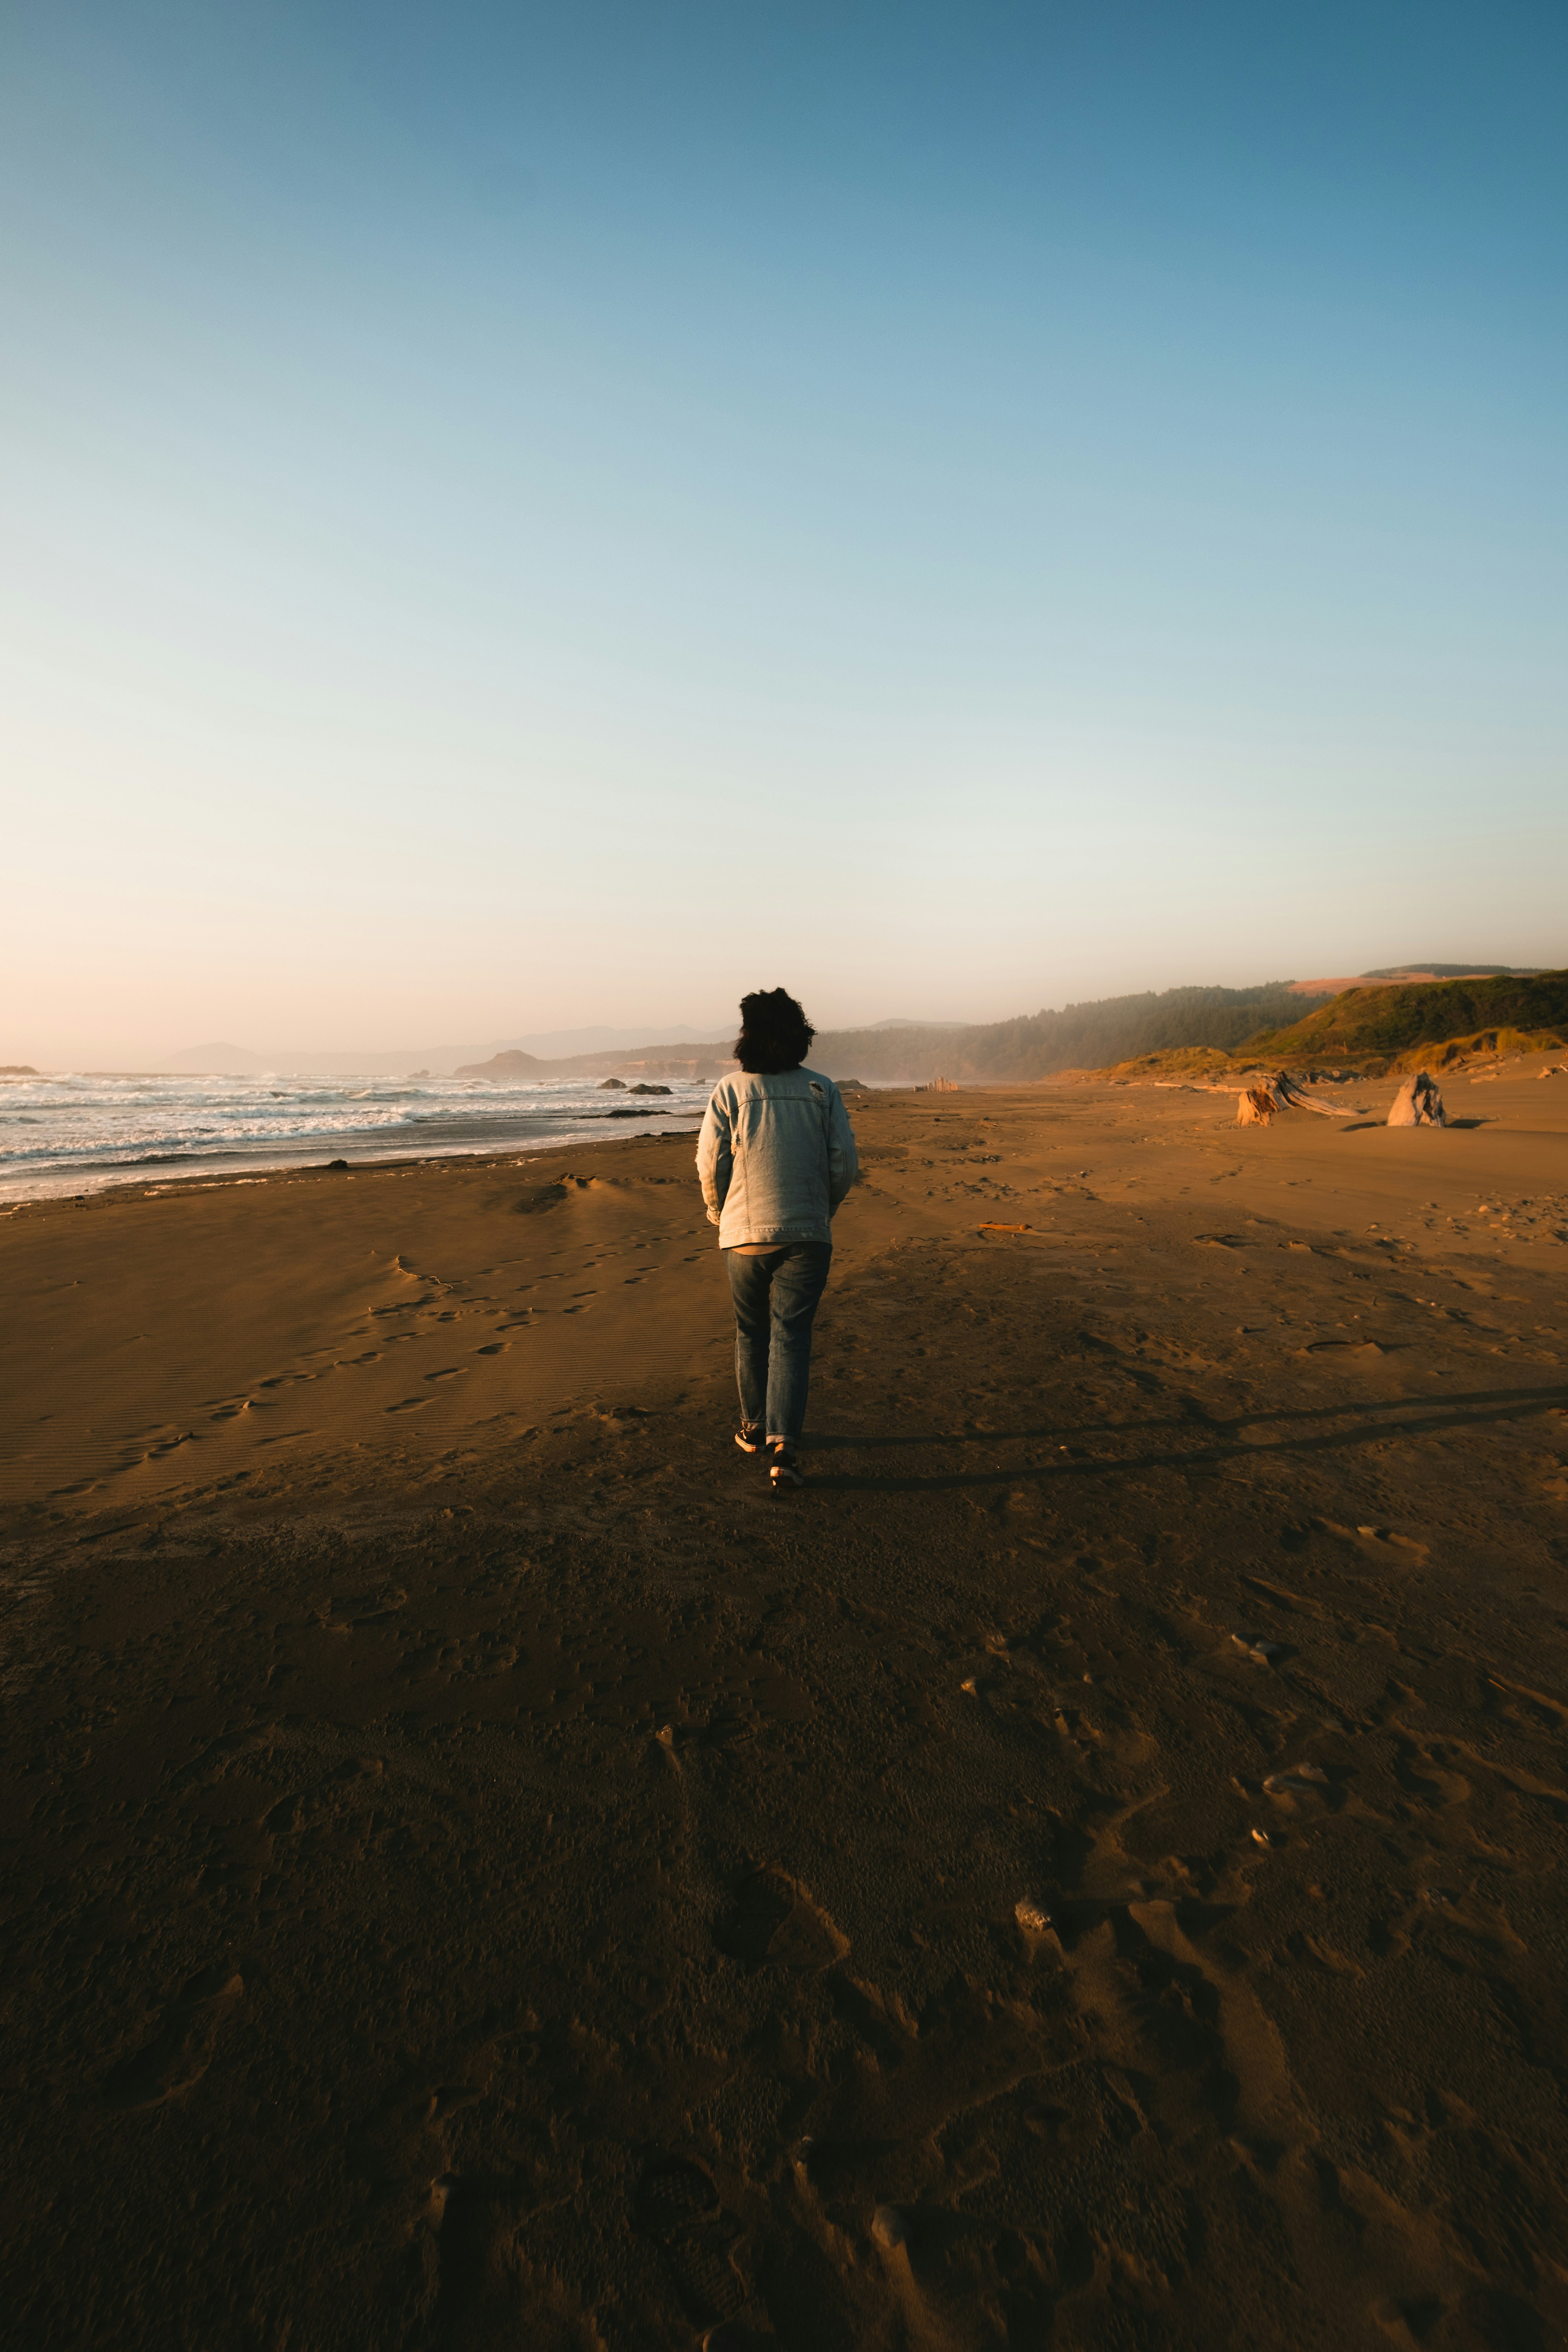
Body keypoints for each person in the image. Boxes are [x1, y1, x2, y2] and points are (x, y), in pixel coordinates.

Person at [696, 988, 858, 1490]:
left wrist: (719, 1212)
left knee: (751, 1331)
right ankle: (784, 1447)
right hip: (808, 1233)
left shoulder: (730, 1089)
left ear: (747, 1036)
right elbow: (844, 1164)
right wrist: (822, 1210)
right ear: (800, 1036)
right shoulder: (822, 1089)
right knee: (792, 1334)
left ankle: (752, 1427)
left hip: (744, 1234)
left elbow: (710, 1162)